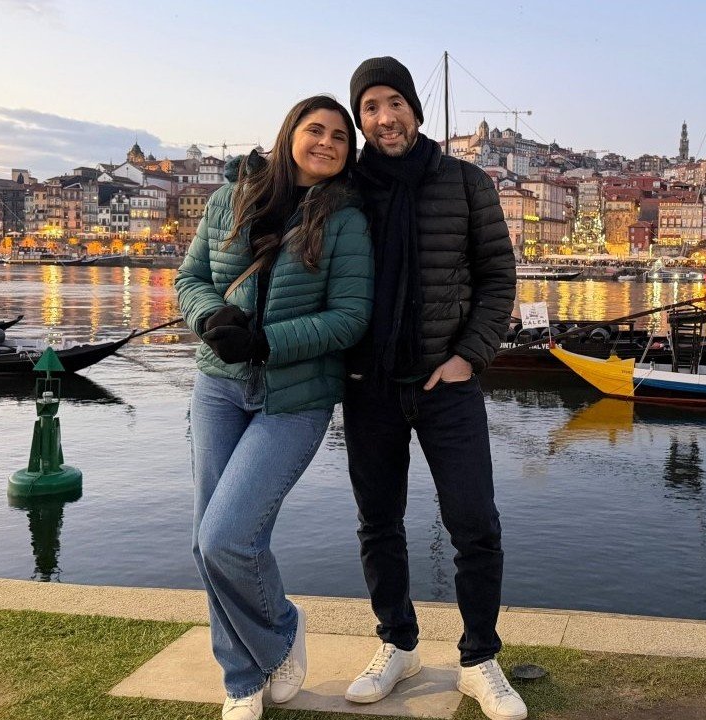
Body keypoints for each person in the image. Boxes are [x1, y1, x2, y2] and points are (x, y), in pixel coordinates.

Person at [175, 95, 373, 720]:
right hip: (218, 387)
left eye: (340, 137)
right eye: (316, 130)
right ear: (289, 135)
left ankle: (281, 630)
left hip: (295, 396)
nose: (327, 143)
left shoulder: (346, 220)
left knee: (227, 536)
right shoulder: (230, 198)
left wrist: (266, 341)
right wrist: (210, 318)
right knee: (211, 542)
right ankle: (242, 679)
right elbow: (190, 279)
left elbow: (350, 318)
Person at [340, 57, 523, 720]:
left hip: (447, 381)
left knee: (474, 521)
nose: (384, 118)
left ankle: (479, 659)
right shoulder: (344, 188)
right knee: (378, 521)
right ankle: (398, 643)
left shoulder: (466, 182)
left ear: (415, 109)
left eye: (394, 102)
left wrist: (470, 357)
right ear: (360, 119)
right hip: (369, 384)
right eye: (370, 107)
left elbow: (498, 277)